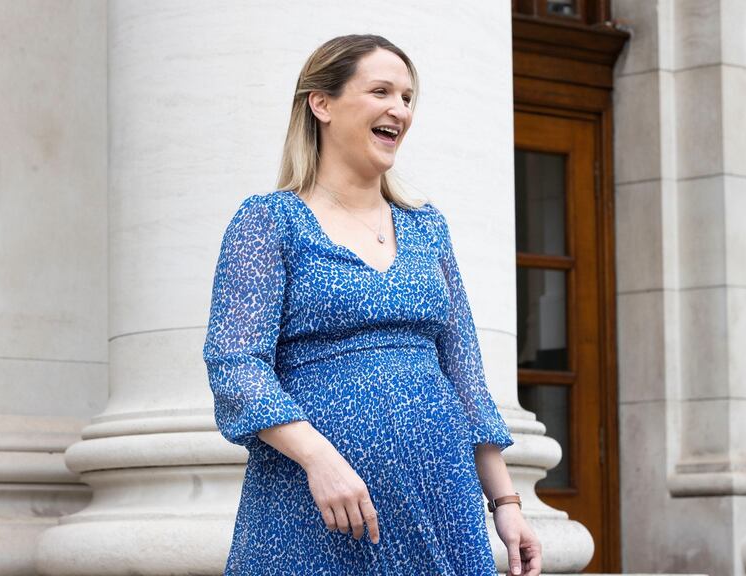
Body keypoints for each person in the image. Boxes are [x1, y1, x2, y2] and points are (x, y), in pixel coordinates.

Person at [203, 33, 542, 575]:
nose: (399, 110)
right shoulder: (269, 221)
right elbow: (236, 365)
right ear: (322, 104)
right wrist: (320, 459)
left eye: (407, 97)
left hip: (441, 499)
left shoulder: (427, 227)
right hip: (313, 505)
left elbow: (465, 372)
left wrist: (506, 503)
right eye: (381, 91)